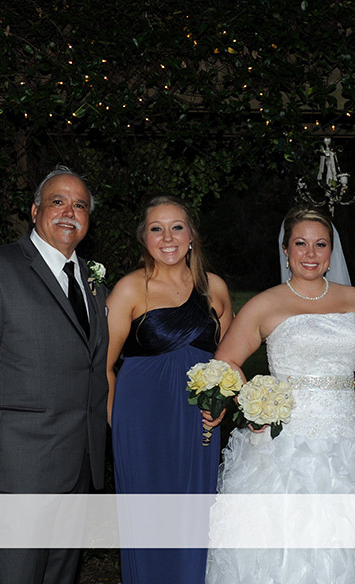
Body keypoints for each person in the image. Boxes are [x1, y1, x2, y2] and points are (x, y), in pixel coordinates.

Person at [205, 206, 355, 584]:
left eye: (320, 244)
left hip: (345, 443)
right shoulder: (265, 304)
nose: (310, 253)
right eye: (300, 243)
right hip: (284, 447)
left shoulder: (354, 300)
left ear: (331, 252)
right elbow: (225, 363)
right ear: (285, 250)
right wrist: (253, 407)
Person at [0, 165, 108, 584]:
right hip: (18, 465)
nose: (69, 212)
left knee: (59, 575)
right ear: (35, 211)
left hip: (78, 464)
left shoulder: (92, 281)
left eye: (80, 205)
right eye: (58, 202)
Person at [106, 195, 233, 583]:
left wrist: (222, 405)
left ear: (191, 235)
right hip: (142, 424)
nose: (167, 237)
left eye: (177, 227)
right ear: (143, 237)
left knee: (195, 520)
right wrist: (118, 427)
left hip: (198, 424)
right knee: (148, 523)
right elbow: (102, 367)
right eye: (156, 229)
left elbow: (229, 363)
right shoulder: (129, 289)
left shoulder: (214, 288)